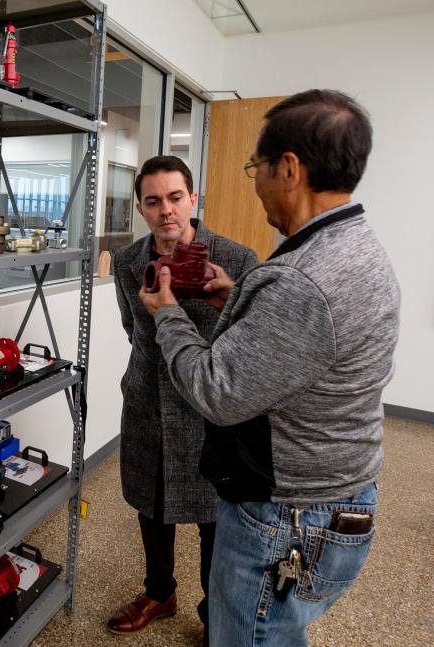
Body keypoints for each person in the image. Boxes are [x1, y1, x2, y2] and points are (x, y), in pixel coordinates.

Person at [139, 89, 400, 646]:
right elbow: (301, 340)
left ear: (288, 167)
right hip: (331, 490)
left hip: (289, 514)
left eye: (255, 166)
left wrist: (167, 315)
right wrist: (237, 300)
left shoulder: (302, 279)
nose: (253, 180)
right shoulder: (355, 247)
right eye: (152, 200)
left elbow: (216, 390)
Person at [108, 156, 257, 639]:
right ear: (141, 209)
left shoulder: (237, 260)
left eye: (175, 198)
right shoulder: (130, 263)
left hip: (211, 409)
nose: (165, 210)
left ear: (193, 199)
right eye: (153, 201)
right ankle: (159, 592)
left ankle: (217, 607)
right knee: (150, 503)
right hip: (148, 401)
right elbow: (135, 330)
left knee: (215, 514)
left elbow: (252, 339)